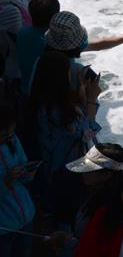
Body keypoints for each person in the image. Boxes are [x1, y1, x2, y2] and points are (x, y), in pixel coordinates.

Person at [25, 51, 101, 218]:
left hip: (52, 170)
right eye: (68, 72)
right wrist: (91, 99)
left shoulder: (41, 104)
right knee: (68, 214)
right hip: (66, 174)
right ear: (60, 79)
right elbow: (88, 131)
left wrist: (81, 91)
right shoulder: (59, 114)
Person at [0, 99, 37, 257]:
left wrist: (26, 173)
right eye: (3, 135)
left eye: (11, 134)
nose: (8, 138)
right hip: (3, 228)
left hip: (26, 218)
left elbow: (23, 170)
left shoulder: (13, 142)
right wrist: (5, 181)